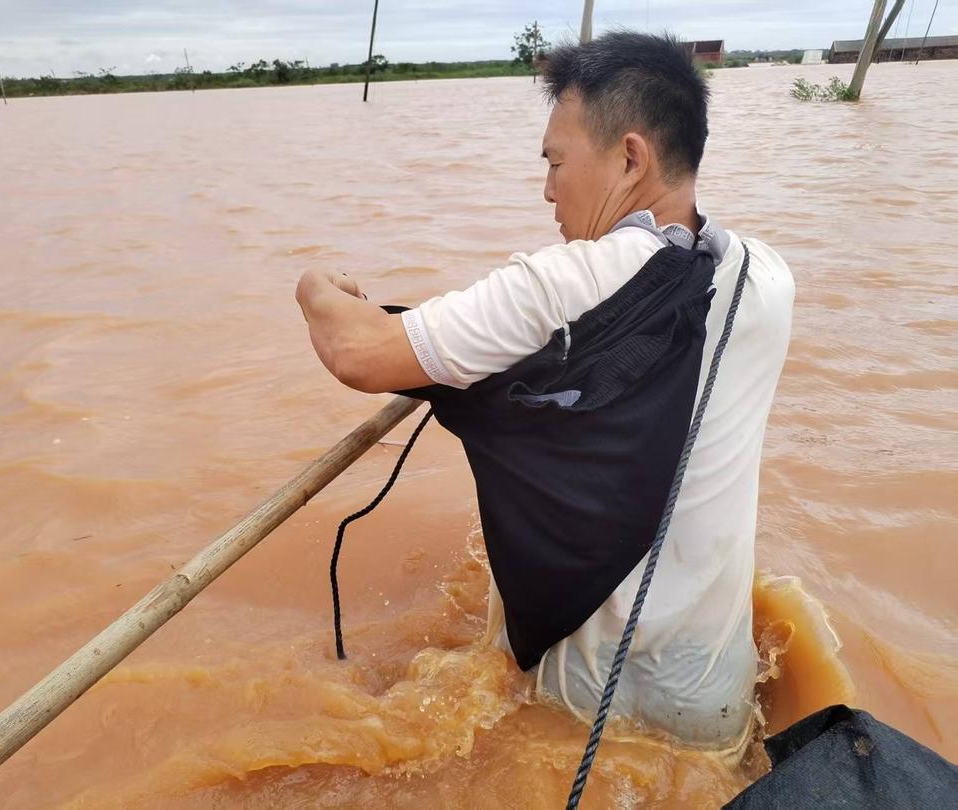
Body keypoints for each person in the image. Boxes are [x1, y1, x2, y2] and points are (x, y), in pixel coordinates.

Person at [295, 32, 794, 751]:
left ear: (631, 157)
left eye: (557, 162)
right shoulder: (770, 277)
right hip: (715, 691)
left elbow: (357, 351)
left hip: (591, 700)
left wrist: (315, 284)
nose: (548, 189)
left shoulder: (569, 283)